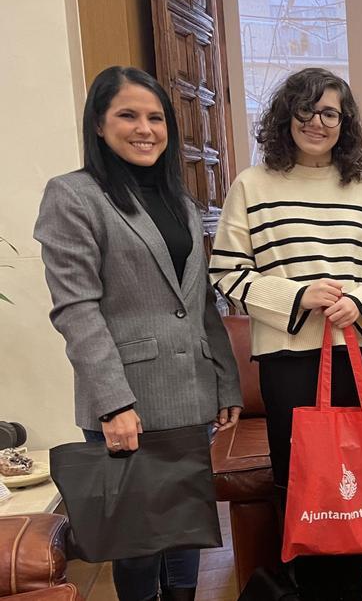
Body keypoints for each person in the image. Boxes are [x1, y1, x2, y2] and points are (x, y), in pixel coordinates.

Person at [35, 66, 243, 601]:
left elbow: (198, 304)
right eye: (128, 115)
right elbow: (77, 310)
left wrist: (225, 383)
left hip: (191, 398)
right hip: (130, 404)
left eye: (155, 117)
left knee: (184, 536)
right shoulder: (73, 196)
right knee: (138, 545)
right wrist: (112, 404)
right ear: (99, 126)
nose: (144, 128)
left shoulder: (181, 201)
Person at [209, 67, 362, 600]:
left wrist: (360, 303)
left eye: (330, 113)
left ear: (345, 125)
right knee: (305, 482)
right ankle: (312, 590)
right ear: (286, 115)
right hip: (290, 359)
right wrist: (299, 296)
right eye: (306, 110)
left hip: (361, 352)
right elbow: (226, 271)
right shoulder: (252, 184)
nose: (317, 123)